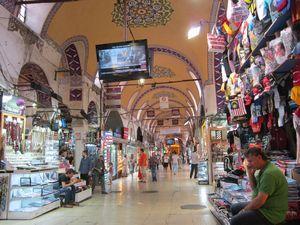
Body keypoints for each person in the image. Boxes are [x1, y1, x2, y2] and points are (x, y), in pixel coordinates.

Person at [230, 147, 288, 225]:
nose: (249, 164)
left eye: (250, 161)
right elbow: (255, 189)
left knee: (235, 220)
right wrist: (249, 173)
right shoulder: (264, 169)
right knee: (234, 208)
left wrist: (244, 211)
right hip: (264, 206)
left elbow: (260, 201)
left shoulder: (268, 173)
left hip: (270, 213)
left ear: (259, 157)